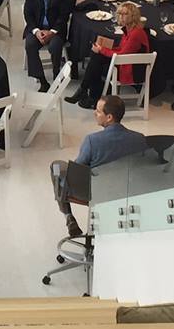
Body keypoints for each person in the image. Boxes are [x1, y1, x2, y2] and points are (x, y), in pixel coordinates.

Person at [50, 95, 147, 238]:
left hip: (95, 192)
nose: (94, 113)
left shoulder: (92, 141)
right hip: (126, 190)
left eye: (98, 111)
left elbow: (75, 170)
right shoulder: (140, 139)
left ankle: (68, 216)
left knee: (56, 167)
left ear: (109, 117)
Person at [66, 2, 151, 108]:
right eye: (119, 14)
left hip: (132, 69)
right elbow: (121, 49)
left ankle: (88, 93)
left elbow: (121, 54)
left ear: (133, 16)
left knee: (97, 59)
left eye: (125, 14)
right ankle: (90, 95)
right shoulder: (129, 29)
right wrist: (102, 48)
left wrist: (102, 50)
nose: (121, 17)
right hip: (126, 62)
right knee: (97, 58)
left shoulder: (135, 33)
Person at [23, 0, 72, 90]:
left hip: (55, 29)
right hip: (37, 28)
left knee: (55, 46)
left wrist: (52, 31)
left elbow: (64, 15)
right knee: (30, 44)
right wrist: (37, 31)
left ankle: (57, 74)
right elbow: (28, 14)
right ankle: (42, 80)